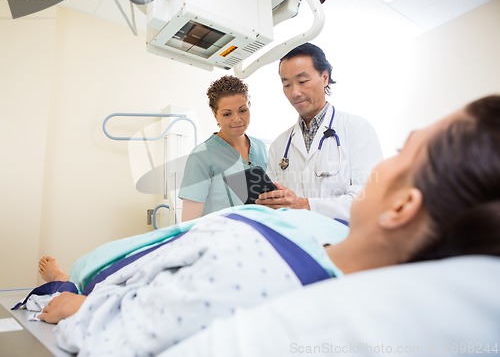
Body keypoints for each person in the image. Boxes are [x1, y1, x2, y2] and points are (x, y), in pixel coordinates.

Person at [30, 95, 500, 356]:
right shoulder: (331, 233)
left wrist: (81, 307)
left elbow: (123, 324)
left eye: (403, 151)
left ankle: (60, 280)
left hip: (191, 253)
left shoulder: (250, 267)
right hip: (211, 231)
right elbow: (190, 219)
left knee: (84, 275)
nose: (237, 119)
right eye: (227, 112)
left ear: (402, 209)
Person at [256, 43, 383, 221]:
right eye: (286, 84)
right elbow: (274, 203)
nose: (295, 93)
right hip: (296, 240)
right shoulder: (279, 145)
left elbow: (371, 201)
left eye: (302, 81)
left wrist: (306, 205)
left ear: (324, 77)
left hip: (342, 242)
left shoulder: (357, 129)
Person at [178, 75, 267, 221]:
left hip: (258, 235)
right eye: (227, 114)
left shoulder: (260, 148)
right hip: (219, 239)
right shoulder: (202, 156)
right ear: (215, 115)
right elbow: (189, 222)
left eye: (242, 110)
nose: (237, 119)